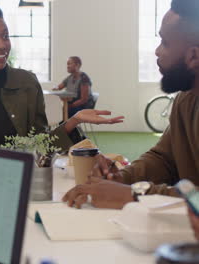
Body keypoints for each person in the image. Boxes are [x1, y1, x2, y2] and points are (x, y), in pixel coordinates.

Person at [63, 0, 199, 209]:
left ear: (193, 56)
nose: (156, 51)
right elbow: (164, 159)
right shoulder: (187, 99)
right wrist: (121, 178)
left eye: (164, 42)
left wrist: (134, 194)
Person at [0, 6, 123, 151]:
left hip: (17, 182)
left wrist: (73, 121)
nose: (2, 45)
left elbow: (41, 146)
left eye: (5, 36)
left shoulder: (27, 83)